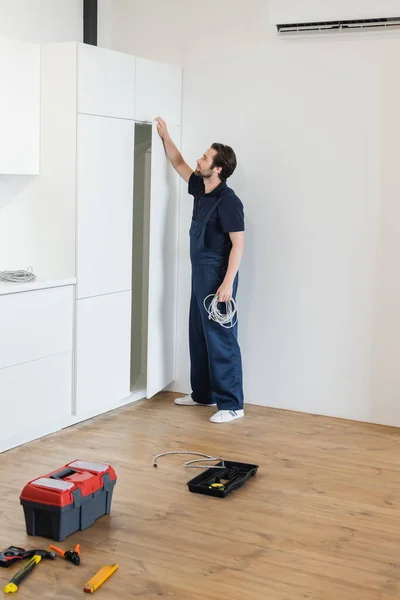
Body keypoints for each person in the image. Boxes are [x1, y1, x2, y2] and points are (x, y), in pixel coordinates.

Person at [155, 117, 245, 424]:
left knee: (221, 337)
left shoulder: (229, 201)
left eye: (205, 157)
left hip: (218, 276)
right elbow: (178, 161)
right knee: (198, 334)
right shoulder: (200, 188)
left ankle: (232, 404)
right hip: (199, 275)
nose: (199, 159)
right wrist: (165, 135)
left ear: (218, 168)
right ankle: (204, 394)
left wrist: (228, 283)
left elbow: (238, 245)